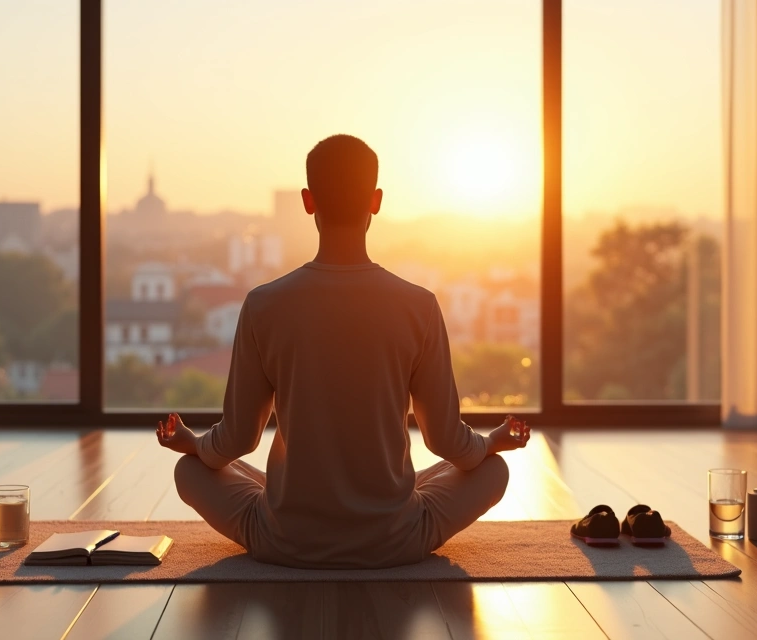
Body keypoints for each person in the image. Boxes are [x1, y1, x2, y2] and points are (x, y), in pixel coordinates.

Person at [157, 134, 529, 569]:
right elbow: (446, 441)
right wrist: (491, 442)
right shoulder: (419, 306)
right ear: (376, 201)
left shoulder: (263, 304)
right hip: (395, 540)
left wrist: (194, 444)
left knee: (190, 470)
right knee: (492, 470)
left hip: (286, 540)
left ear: (308, 201)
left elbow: (238, 439)